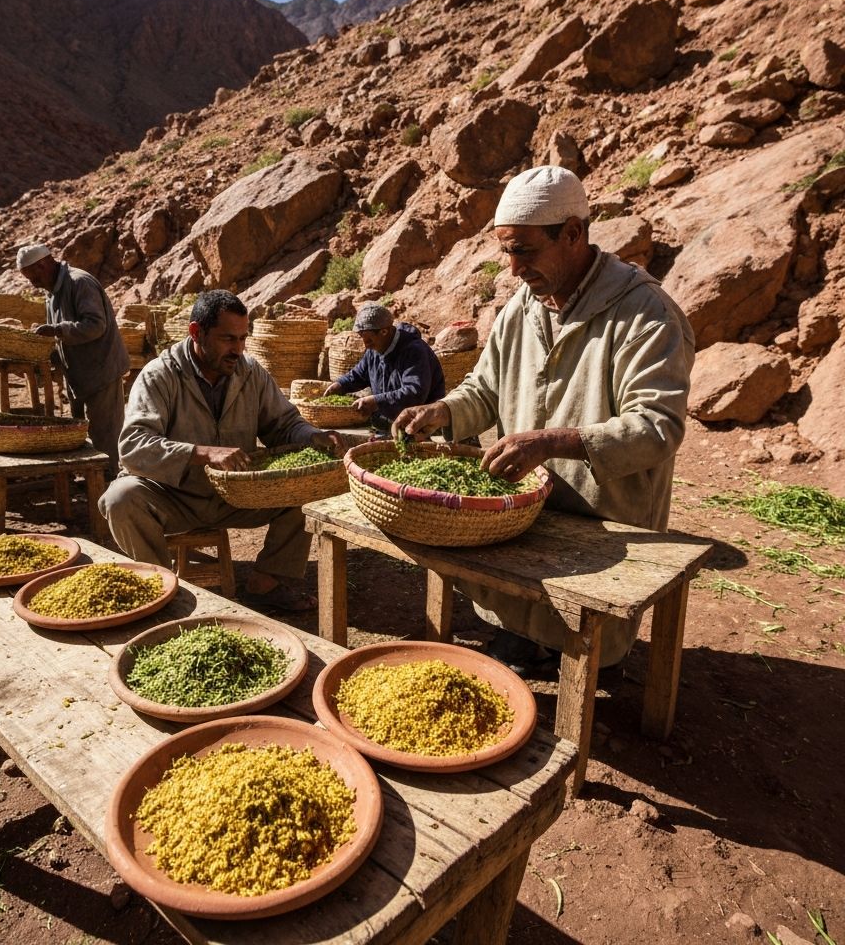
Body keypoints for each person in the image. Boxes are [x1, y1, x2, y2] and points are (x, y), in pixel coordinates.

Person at [394, 165, 695, 673]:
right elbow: (485, 390)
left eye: (524, 251)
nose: (512, 268)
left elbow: (658, 425)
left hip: (607, 520)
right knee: (514, 606)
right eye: (506, 251)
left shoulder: (646, 315)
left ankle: (575, 655)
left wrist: (554, 441)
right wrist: (443, 410)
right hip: (524, 507)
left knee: (589, 645)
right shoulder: (523, 308)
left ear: (573, 233)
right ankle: (527, 639)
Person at [99, 290, 345, 611]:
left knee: (309, 486)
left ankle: (266, 583)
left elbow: (283, 424)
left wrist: (313, 436)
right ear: (196, 332)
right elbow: (133, 446)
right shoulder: (159, 376)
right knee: (120, 498)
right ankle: (160, 589)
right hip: (175, 496)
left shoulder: (250, 372)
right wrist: (202, 453)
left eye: (243, 338)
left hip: (238, 495)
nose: (238, 350)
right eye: (228, 339)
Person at [16, 244, 129, 479]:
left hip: (101, 370)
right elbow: (62, 338)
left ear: (44, 264)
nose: (33, 283)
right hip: (78, 373)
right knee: (81, 431)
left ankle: (111, 485)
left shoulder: (80, 283)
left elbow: (96, 325)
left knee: (105, 435)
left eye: (34, 276)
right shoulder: (52, 291)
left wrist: (56, 330)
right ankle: (92, 481)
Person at [321, 302, 445, 430]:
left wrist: (376, 401)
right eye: (363, 339)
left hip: (421, 426)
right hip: (390, 422)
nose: (366, 345)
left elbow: (414, 393)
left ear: (384, 332)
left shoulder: (414, 351)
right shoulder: (374, 350)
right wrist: (340, 385)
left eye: (369, 340)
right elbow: (359, 375)